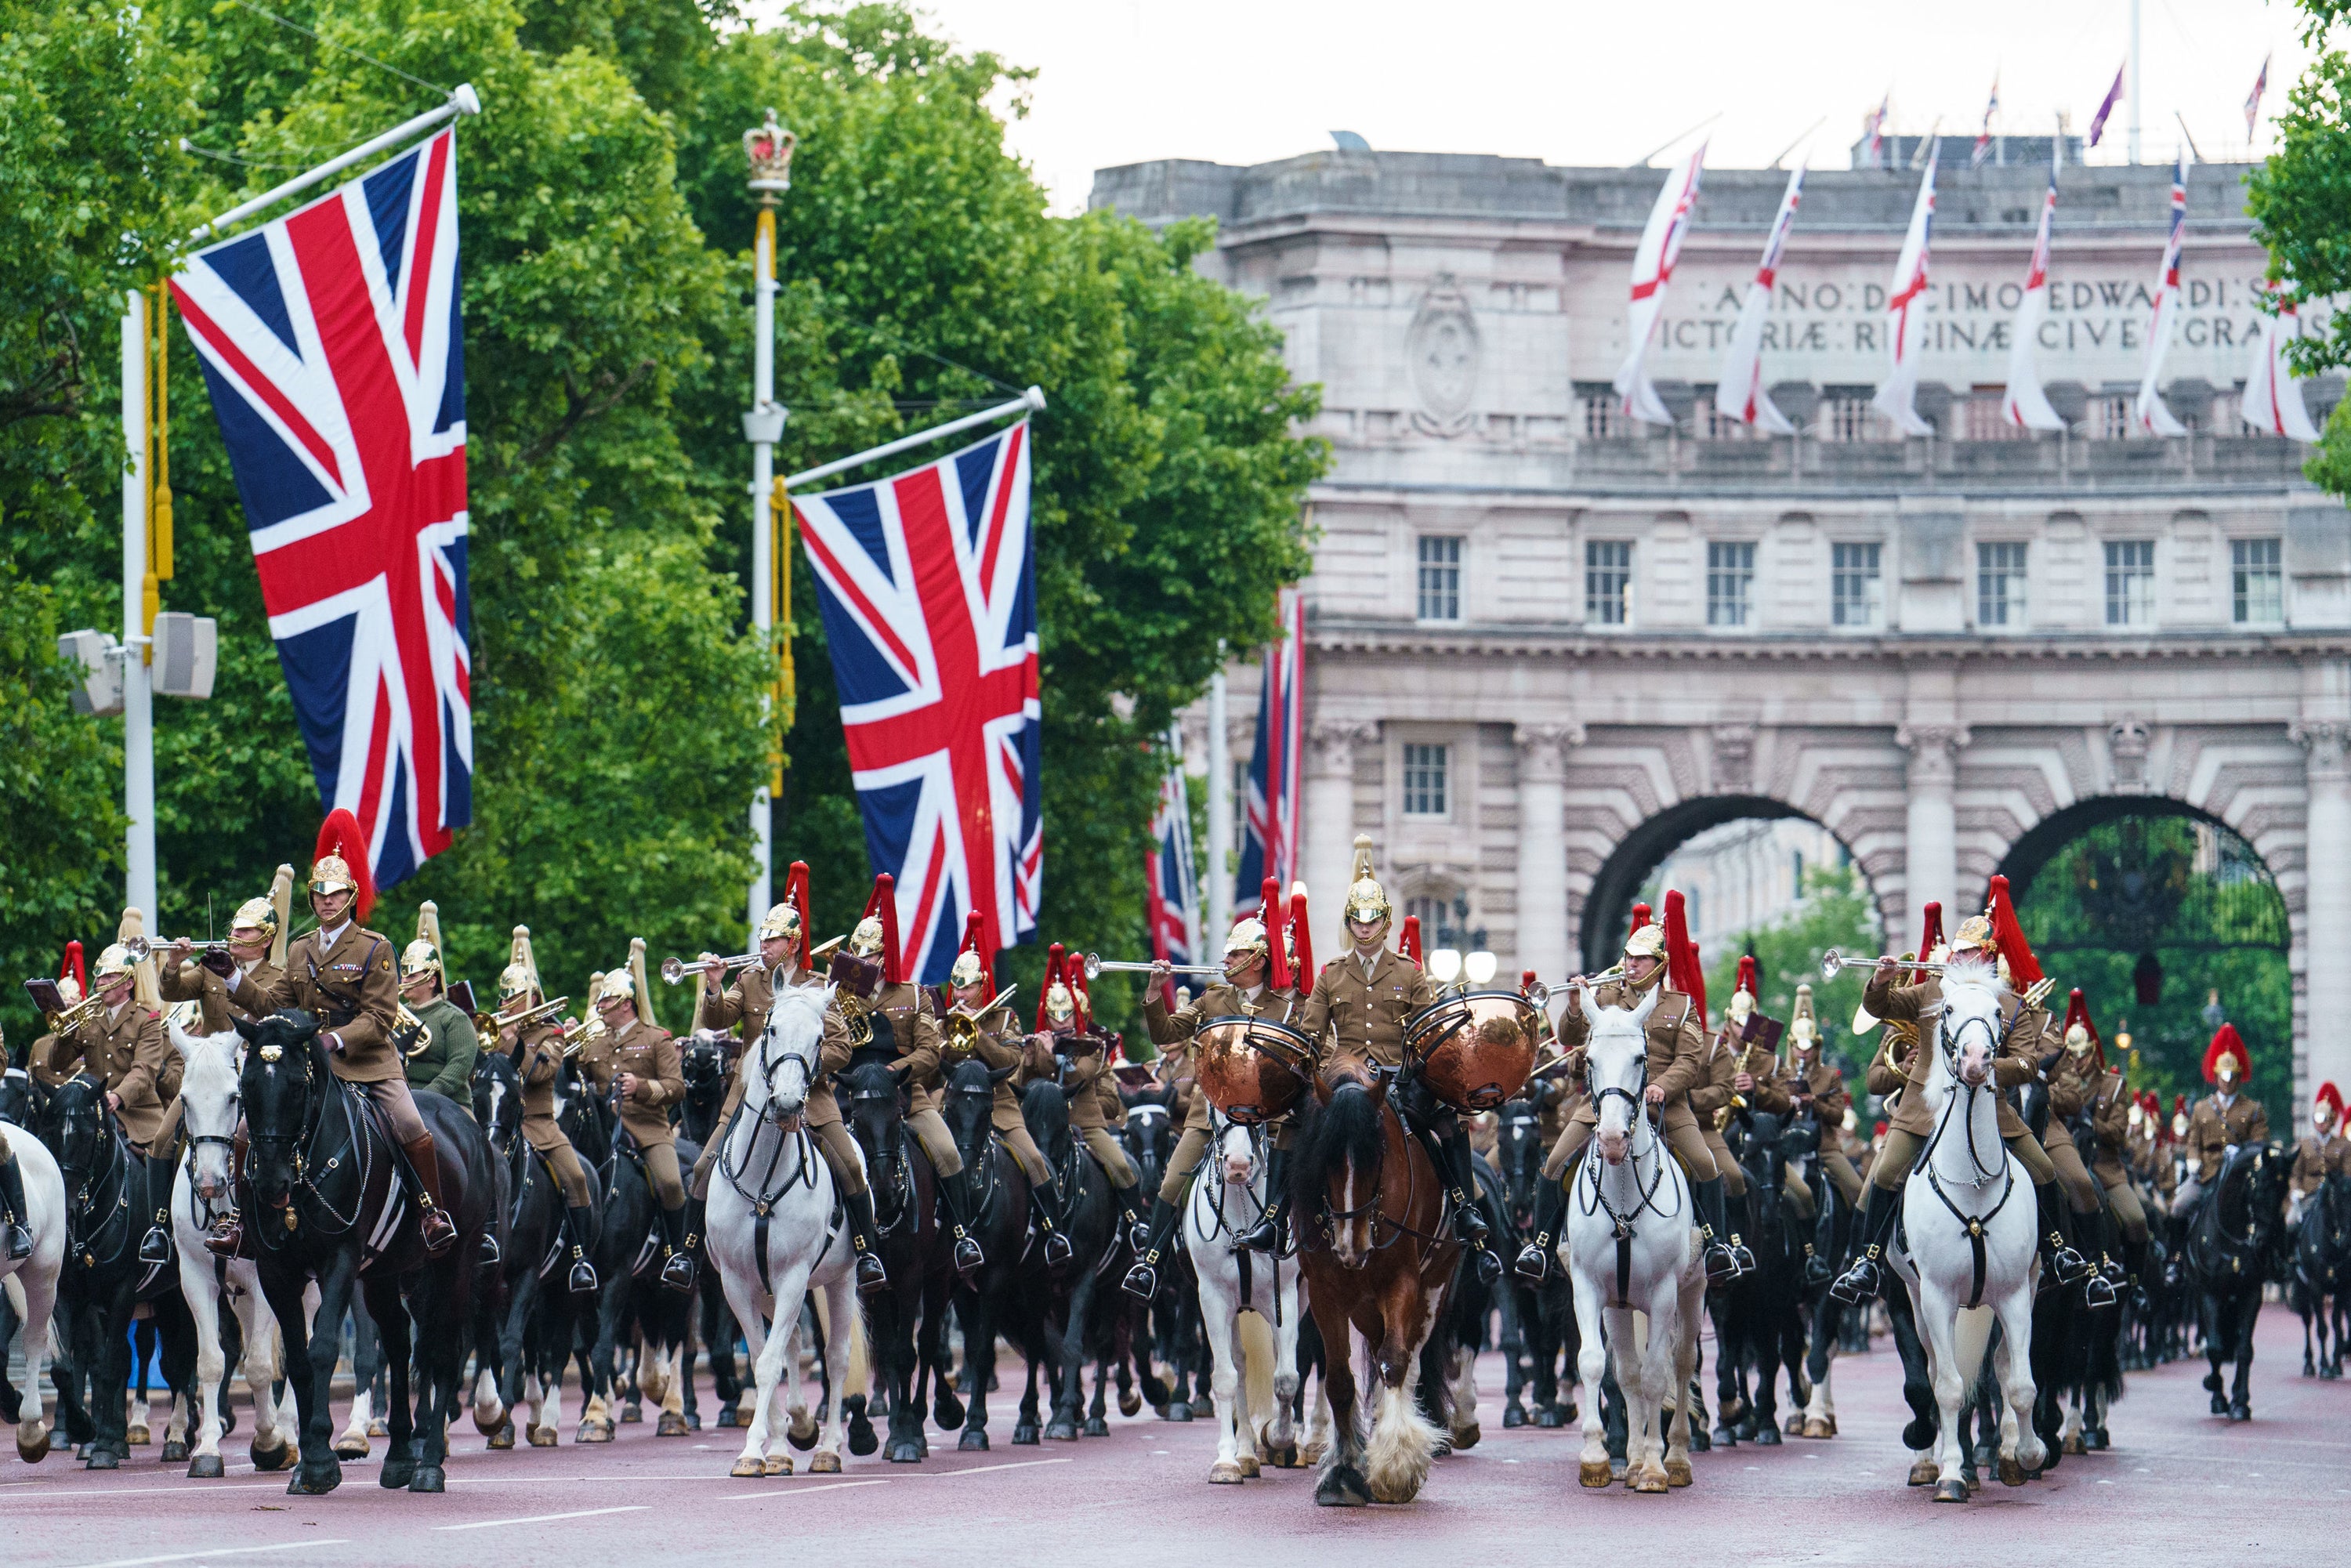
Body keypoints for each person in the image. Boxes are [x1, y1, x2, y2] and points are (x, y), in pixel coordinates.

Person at [1830, 887, 2107, 1308]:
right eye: (1957, 954)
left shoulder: (2010, 1004)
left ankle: (2057, 1252)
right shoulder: (1930, 993)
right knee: (1883, 1176)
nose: (1959, 960)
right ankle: (1864, 1263)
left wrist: (1988, 1068)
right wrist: (1880, 980)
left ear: (1986, 956)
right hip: (1925, 1108)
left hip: (1990, 1111)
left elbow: (2029, 1064)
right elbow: (1881, 1006)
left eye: (1968, 954)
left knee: (2046, 1169)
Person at [201, 818, 458, 1258]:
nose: (325, 901)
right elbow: (270, 1004)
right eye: (319, 894)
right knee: (245, 1131)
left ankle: (430, 1212)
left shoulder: (374, 948)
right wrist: (232, 977)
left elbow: (380, 1017)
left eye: (334, 894)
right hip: (309, 1061)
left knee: (411, 1123)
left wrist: (334, 1041)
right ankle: (240, 1221)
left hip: (366, 1060)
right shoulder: (300, 948)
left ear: (350, 897)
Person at [1296, 836, 1502, 1284]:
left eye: (1372, 921)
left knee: (1448, 1126)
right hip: (1345, 1082)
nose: (1364, 928)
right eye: (1357, 920)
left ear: (1386, 924)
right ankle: (1281, 1218)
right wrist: (1329, 1065)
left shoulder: (1408, 973)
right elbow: (1313, 1032)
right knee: (1301, 1130)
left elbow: (1425, 1030)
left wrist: (1416, 1067)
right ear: (1349, 924)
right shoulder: (1331, 975)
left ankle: (1465, 1210)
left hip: (1398, 1081)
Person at [1513, 897, 1744, 1286]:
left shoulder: (1680, 1005)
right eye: (1628, 957)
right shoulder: (1605, 998)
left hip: (1663, 1105)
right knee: (1555, 1163)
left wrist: (1661, 1087)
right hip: (1605, 1105)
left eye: (1640, 959)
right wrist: (1574, 1005)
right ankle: (1540, 1245)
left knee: (1706, 1165)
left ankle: (1718, 1245)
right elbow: (1568, 1038)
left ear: (1659, 965)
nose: (1631, 965)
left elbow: (1688, 1061)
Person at [1122, 913, 1298, 1298]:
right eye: (1228, 956)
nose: (1227, 962)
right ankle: (1150, 1262)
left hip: (1267, 1116)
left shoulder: (1285, 1008)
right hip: (1212, 1113)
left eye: (1235, 956)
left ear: (1259, 959)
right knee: (1172, 1180)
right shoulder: (1214, 998)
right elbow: (1166, 1032)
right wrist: (1155, 991)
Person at [685, 861, 826, 1277]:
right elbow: (717, 1020)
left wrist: (805, 1068)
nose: (765, 946)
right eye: (763, 939)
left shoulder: (816, 985)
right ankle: (687, 1251)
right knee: (702, 1166)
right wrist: (713, 986)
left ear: (794, 943)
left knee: (849, 1164)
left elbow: (836, 1046)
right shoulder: (749, 981)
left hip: (808, 1096)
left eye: (774, 940)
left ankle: (863, 1248)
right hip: (747, 1097)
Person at [820, 880, 946, 1295]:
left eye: (869, 954)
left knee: (947, 1153)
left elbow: (930, 1052)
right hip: (849, 1098)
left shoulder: (914, 995)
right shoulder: (838, 996)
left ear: (884, 955)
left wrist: (895, 1070)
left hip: (906, 1097)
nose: (860, 960)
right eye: (855, 954)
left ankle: (959, 1234)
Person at [938, 916, 1070, 1274]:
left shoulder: (1004, 1018)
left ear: (982, 987)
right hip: (953, 1104)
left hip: (998, 1106)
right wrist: (948, 1035)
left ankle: (1054, 1233)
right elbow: (936, 1064)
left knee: (1034, 1159)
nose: (961, 995)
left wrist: (977, 1033)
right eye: (957, 988)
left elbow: (1010, 1062)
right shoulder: (945, 1019)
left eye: (967, 989)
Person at [47, 918, 179, 1266]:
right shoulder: (88, 1018)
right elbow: (58, 1062)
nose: (101, 983)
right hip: (95, 1116)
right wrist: (63, 1027)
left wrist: (116, 1097)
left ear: (127, 981)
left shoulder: (146, 1019)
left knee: (161, 1159)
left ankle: (159, 1230)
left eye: (108, 977)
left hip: (137, 1115)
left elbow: (144, 1071)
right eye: (100, 977)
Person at [495, 926, 599, 1293]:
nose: (506, 1004)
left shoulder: (551, 1035)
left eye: (515, 997)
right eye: (504, 997)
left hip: (539, 1125)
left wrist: (511, 1045)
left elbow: (541, 1073)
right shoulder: (496, 1030)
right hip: (500, 1123)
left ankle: (581, 1258)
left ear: (533, 998)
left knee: (577, 1178)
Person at [585, 941, 694, 1291]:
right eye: (600, 1001)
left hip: (647, 1131)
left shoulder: (655, 1039)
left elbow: (676, 1088)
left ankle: (678, 1253)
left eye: (606, 1001)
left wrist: (642, 1088)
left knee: (672, 1182)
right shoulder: (594, 1043)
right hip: (605, 1131)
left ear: (626, 1004)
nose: (599, 1007)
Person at [1031, 955, 1147, 1248]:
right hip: (1045, 1125)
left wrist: (1053, 1052)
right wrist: (1035, 1050)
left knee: (1121, 1166)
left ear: (1076, 1016)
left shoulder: (1093, 1045)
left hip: (1087, 1124)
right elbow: (1028, 1074)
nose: (1061, 1023)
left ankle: (1136, 1225)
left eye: (1066, 1016)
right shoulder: (1039, 1042)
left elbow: (1077, 1077)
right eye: (1054, 1017)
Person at [2042, 990, 2127, 1283]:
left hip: (2103, 1164)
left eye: (2084, 1055)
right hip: (2065, 1148)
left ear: (2093, 1051)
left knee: (2138, 1219)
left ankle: (2128, 1279)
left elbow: (2118, 1133)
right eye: (2073, 1055)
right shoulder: (2059, 1063)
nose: (2079, 1061)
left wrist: (2095, 1126)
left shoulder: (2113, 1086)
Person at [160, 867, 292, 1036]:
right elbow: (170, 993)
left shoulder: (279, 978)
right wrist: (174, 962)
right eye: (235, 928)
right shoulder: (209, 970)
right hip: (213, 1059)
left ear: (266, 940)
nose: (235, 934)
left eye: (246, 930)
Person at [2175, 1023, 2269, 1216]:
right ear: (2216, 1076)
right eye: (2223, 1077)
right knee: (2179, 1207)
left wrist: (2243, 1153)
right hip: (2207, 1173)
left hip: (2240, 1174)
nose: (2227, 1082)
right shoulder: (2201, 1108)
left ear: (2239, 1077)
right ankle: (2178, 1247)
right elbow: (2193, 1143)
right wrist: (2193, 1160)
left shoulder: (2253, 1109)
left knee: (2265, 1209)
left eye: (2232, 1077)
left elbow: (2260, 1144)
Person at [398, 902, 480, 1119]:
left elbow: (459, 1068)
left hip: (448, 1105)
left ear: (432, 980)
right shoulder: (395, 1014)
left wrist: (423, 1097)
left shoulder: (454, 1017)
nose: (404, 981)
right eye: (404, 975)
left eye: (412, 976)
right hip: (399, 1100)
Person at [2289, 1083, 2346, 1224]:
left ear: (2331, 1120)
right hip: (2308, 1197)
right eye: (2317, 1119)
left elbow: (2347, 1174)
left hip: (2334, 1198)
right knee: (2290, 1224)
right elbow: (2296, 1174)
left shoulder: (2344, 1145)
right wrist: (2295, 1191)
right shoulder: (2304, 1145)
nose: (2320, 1124)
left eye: (2324, 1119)